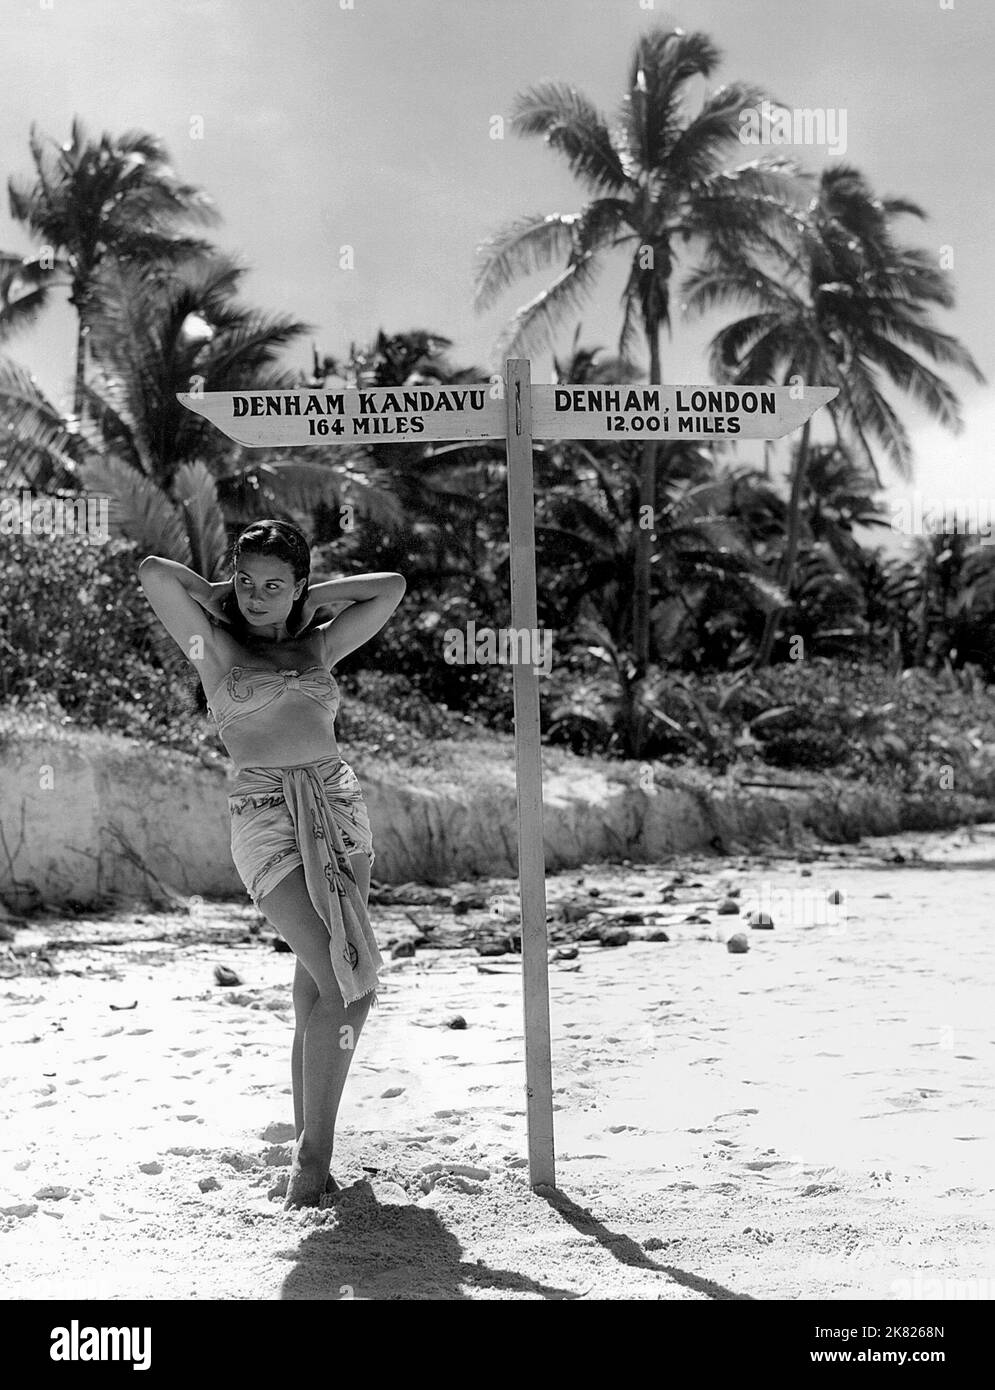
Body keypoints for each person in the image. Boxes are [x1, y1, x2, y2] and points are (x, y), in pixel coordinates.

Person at [138, 519, 406, 1208]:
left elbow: (391, 589)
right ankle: (313, 1162)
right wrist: (223, 595)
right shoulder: (214, 646)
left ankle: (309, 1153)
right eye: (247, 581)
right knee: (353, 986)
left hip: (339, 812)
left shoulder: (319, 643)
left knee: (315, 990)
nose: (257, 597)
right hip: (263, 817)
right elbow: (153, 573)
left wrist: (311, 597)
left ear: (298, 589)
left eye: (273, 585)